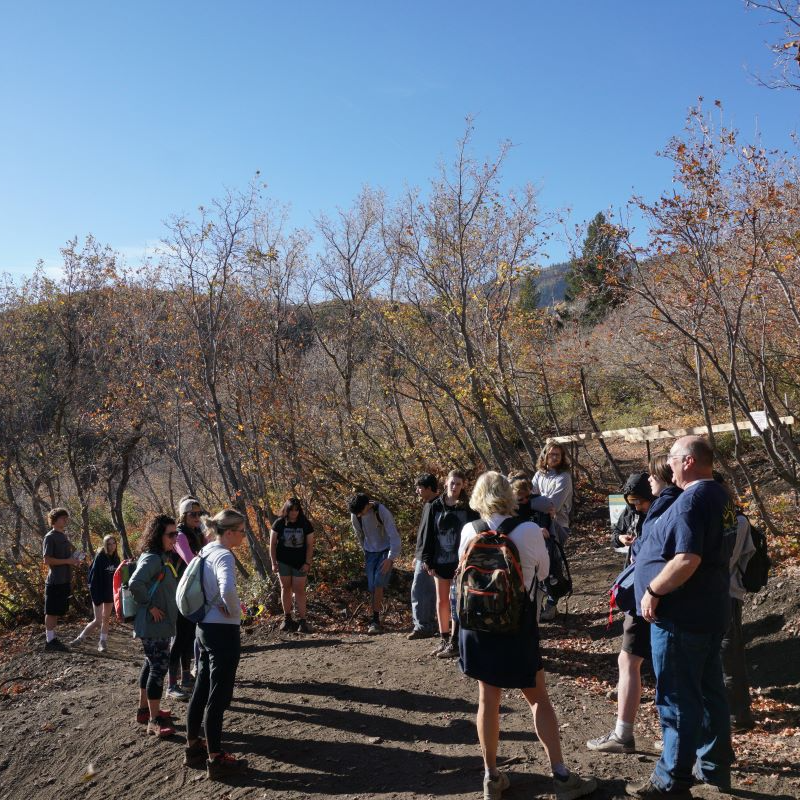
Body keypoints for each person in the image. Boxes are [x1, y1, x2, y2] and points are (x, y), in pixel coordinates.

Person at [459, 471, 597, 800]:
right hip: (518, 627)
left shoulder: (469, 530)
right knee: (538, 698)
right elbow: (545, 574)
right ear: (509, 494)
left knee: (487, 701)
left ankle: (492, 777)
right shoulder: (529, 530)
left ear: (477, 495)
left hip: (478, 627)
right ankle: (562, 776)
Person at [630, 436, 736, 798]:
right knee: (709, 693)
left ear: (688, 461)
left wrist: (654, 590)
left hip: (682, 616)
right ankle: (713, 769)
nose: (669, 466)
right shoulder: (720, 496)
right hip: (709, 610)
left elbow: (687, 558)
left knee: (676, 699)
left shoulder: (693, 499)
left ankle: (671, 779)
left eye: (673, 459)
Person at [587, 458, 681, 754]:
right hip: (650, 597)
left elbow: (658, 550)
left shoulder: (667, 507)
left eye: (652, 477)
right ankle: (652, 735)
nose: (649, 480)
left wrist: (639, 550)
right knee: (635, 662)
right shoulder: (671, 504)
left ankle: (662, 738)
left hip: (654, 598)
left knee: (650, 665)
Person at [185, 509, 249, 779]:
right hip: (222, 632)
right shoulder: (223, 554)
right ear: (231, 532)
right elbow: (226, 589)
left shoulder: (207, 549)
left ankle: (194, 747)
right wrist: (236, 611)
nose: (244, 536)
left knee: (201, 687)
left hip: (203, 628)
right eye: (243, 531)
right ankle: (216, 757)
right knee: (219, 695)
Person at [129, 514, 180, 737]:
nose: (175, 538)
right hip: (153, 624)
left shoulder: (159, 556)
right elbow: (135, 584)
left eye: (176, 533)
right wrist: (150, 606)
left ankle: (145, 710)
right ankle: (154, 719)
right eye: (171, 534)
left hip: (157, 624)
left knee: (151, 665)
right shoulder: (152, 559)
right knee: (158, 668)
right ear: (158, 535)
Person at [422, 469, 479, 658]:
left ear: (463, 486)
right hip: (439, 560)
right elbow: (427, 534)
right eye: (452, 483)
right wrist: (427, 559)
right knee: (442, 600)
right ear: (445, 483)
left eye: (458, 484)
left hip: (460, 562)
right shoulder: (434, 506)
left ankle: (455, 641)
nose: (454, 487)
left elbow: (475, 534)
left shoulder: (468, 508)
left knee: (457, 602)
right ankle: (444, 638)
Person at [715, 473, 756, 733]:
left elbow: (725, 562)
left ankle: (738, 716)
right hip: (724, 593)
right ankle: (735, 713)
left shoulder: (734, 520)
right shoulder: (729, 517)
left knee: (728, 654)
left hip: (726, 594)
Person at [166, 497, 206, 701]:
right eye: (193, 514)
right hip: (180, 591)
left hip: (194, 590)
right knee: (180, 637)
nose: (197, 517)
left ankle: (186, 678)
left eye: (199, 514)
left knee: (189, 636)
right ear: (183, 515)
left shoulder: (198, 533)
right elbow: (191, 560)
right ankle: (171, 684)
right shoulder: (180, 535)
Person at [530, 444, 573, 620]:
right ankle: (537, 605)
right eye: (551, 454)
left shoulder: (564, 477)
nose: (554, 457)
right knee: (536, 565)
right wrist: (531, 501)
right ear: (545, 456)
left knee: (553, 566)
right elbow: (528, 496)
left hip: (558, 526)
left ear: (562, 457)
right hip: (538, 526)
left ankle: (552, 604)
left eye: (558, 454)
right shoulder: (539, 475)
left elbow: (551, 505)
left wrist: (529, 502)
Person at [348, 493, 401, 634]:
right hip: (369, 552)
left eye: (361, 512)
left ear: (367, 505)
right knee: (372, 586)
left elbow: (393, 535)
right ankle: (376, 615)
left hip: (385, 549)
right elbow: (359, 534)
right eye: (356, 513)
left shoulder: (381, 511)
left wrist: (390, 558)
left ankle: (375, 620)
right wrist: (365, 550)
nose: (359, 515)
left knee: (378, 582)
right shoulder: (355, 515)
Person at [270, 497, 315, 633]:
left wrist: (307, 562)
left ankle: (302, 621)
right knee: (285, 588)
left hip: (300, 563)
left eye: (297, 510)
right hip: (283, 561)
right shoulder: (279, 523)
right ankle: (287, 618)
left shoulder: (305, 523)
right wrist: (273, 562)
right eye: (291, 510)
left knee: (299, 590)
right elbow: (272, 544)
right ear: (287, 510)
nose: (294, 513)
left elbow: (310, 545)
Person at [42, 507, 84, 652]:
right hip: (54, 581)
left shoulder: (64, 536)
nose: (65, 520)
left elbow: (70, 556)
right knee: (51, 611)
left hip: (65, 580)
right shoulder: (50, 537)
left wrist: (76, 559)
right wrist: (68, 561)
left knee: (58, 610)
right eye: (62, 518)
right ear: (54, 520)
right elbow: (47, 560)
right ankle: (49, 641)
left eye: (66, 518)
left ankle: (53, 638)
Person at [70, 535, 120, 652]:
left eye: (114, 543)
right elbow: (92, 578)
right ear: (105, 545)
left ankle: (102, 642)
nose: (112, 546)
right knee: (97, 620)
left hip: (109, 592)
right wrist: (95, 593)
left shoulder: (116, 558)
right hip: (98, 591)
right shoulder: (100, 557)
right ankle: (80, 638)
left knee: (106, 618)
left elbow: (118, 576)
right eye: (109, 544)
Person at [408, 473, 439, 640]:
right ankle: (426, 624)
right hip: (423, 554)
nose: (417, 490)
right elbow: (423, 532)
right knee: (424, 590)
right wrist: (417, 554)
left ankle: (424, 626)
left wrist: (426, 557)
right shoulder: (428, 504)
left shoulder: (437, 505)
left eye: (419, 487)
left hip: (429, 556)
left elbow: (433, 535)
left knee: (420, 590)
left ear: (428, 488)